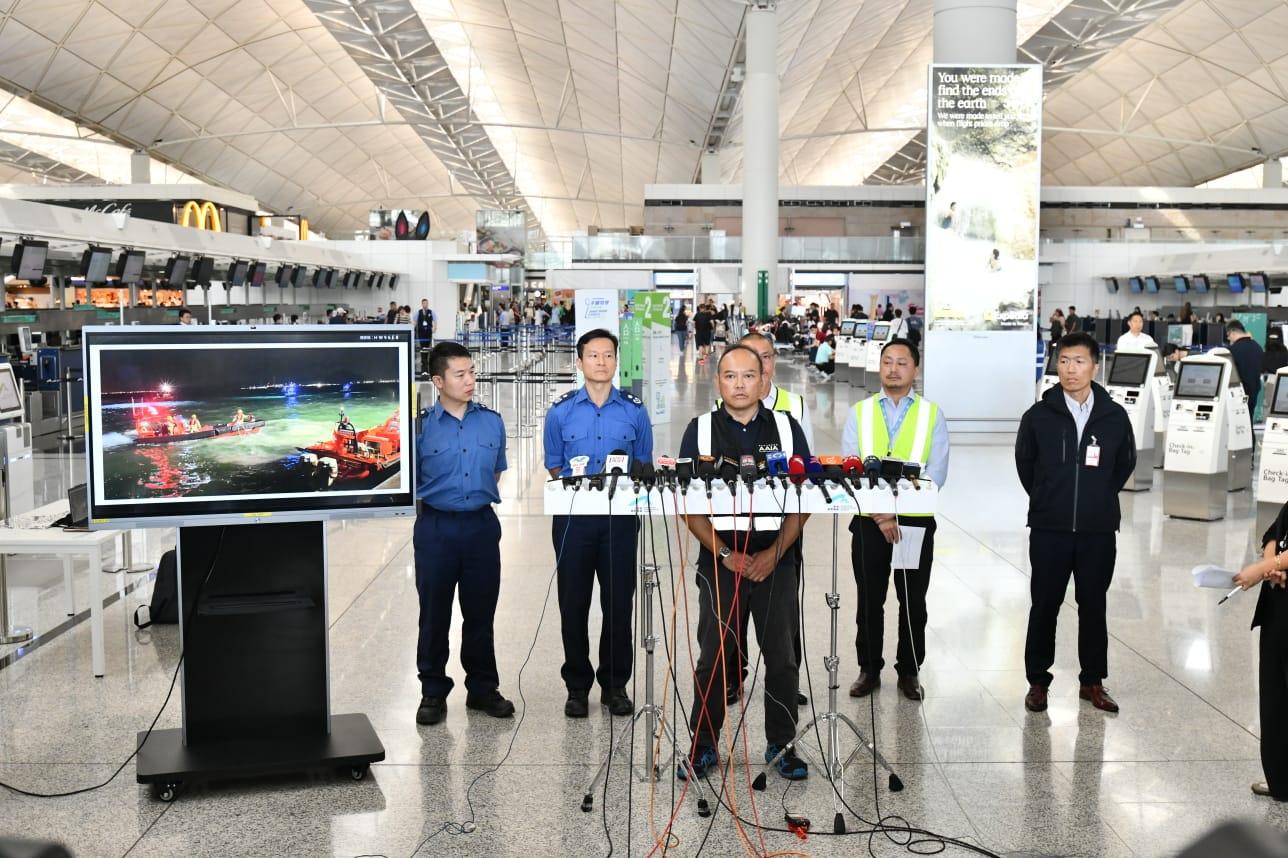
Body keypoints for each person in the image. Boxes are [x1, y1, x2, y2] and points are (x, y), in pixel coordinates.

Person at [676, 344, 811, 782]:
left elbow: (805, 500)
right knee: (714, 656)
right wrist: (726, 554)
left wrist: (773, 555)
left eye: (748, 375)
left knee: (783, 658)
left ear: (763, 379)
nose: (739, 384)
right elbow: (688, 507)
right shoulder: (698, 431)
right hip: (720, 559)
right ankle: (702, 745)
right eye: (730, 376)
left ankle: (782, 744)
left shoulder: (788, 429)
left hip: (778, 559)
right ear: (717, 382)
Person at [1016, 332, 1136, 714]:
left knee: (1093, 605)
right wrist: (1049, 496)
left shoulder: (1114, 417)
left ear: (1094, 366)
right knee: (1044, 605)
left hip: (1097, 531)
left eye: (1079, 361)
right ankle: (1038, 681)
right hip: (1049, 528)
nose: (1070, 369)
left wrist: (1097, 497)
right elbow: (1026, 465)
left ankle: (1093, 681)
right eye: (1064, 361)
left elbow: (1124, 464)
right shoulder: (1039, 415)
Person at [543, 329, 653, 718]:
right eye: (593, 355)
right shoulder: (560, 412)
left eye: (608, 355)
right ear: (580, 362)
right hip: (574, 520)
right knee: (573, 604)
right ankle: (577, 686)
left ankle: (615, 684)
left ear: (616, 361)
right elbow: (554, 463)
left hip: (621, 521)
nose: (601, 362)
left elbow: (644, 463)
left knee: (618, 604)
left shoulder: (635, 411)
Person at [412, 342, 515, 726]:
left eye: (472, 372)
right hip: (436, 528)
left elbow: (497, 471)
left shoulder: (492, 421)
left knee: (480, 613)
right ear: (438, 381)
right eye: (460, 374)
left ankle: (482, 688)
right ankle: (432, 691)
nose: (470, 380)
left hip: (481, 527)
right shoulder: (420, 426)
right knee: (434, 614)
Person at [843, 338, 950, 701]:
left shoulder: (931, 414)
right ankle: (869, 668)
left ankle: (909, 670)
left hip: (913, 525)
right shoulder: (860, 412)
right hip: (869, 524)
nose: (893, 368)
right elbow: (850, 468)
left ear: (915, 369)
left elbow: (936, 473)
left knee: (912, 600)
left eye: (901, 362)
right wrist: (880, 513)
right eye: (887, 361)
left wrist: (896, 513)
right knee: (869, 599)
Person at [1233, 504, 1288, 800]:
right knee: (1275, 702)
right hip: (1277, 613)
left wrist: (1265, 568)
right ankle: (1281, 781)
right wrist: (1274, 565)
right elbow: (1273, 533)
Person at [1228, 320, 1265, 432]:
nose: (1229, 339)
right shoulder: (1258, 347)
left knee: (1237, 427)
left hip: (1237, 395)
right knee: (1248, 423)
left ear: (1233, 332)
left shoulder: (1233, 350)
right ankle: (1250, 447)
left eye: (1228, 336)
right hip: (1254, 391)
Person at [416, 299, 436, 374]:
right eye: (424, 303)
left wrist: (434, 328)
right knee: (422, 347)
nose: (425, 305)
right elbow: (416, 322)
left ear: (428, 304)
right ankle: (423, 360)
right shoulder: (419, 312)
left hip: (428, 332)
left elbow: (434, 321)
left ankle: (426, 360)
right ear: (422, 304)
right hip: (421, 333)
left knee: (427, 347)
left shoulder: (431, 312)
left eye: (426, 303)